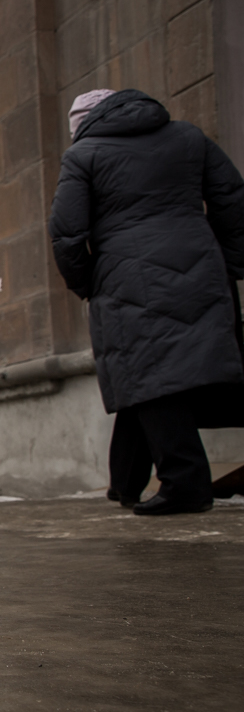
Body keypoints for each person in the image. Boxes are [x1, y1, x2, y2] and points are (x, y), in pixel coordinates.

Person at [50, 88, 244, 515]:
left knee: (150, 376)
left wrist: (86, 283)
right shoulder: (189, 137)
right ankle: (126, 483)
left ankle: (186, 485)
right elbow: (232, 198)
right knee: (173, 369)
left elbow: (67, 234)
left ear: (83, 125)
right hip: (199, 260)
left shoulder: (83, 155)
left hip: (124, 275)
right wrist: (229, 262)